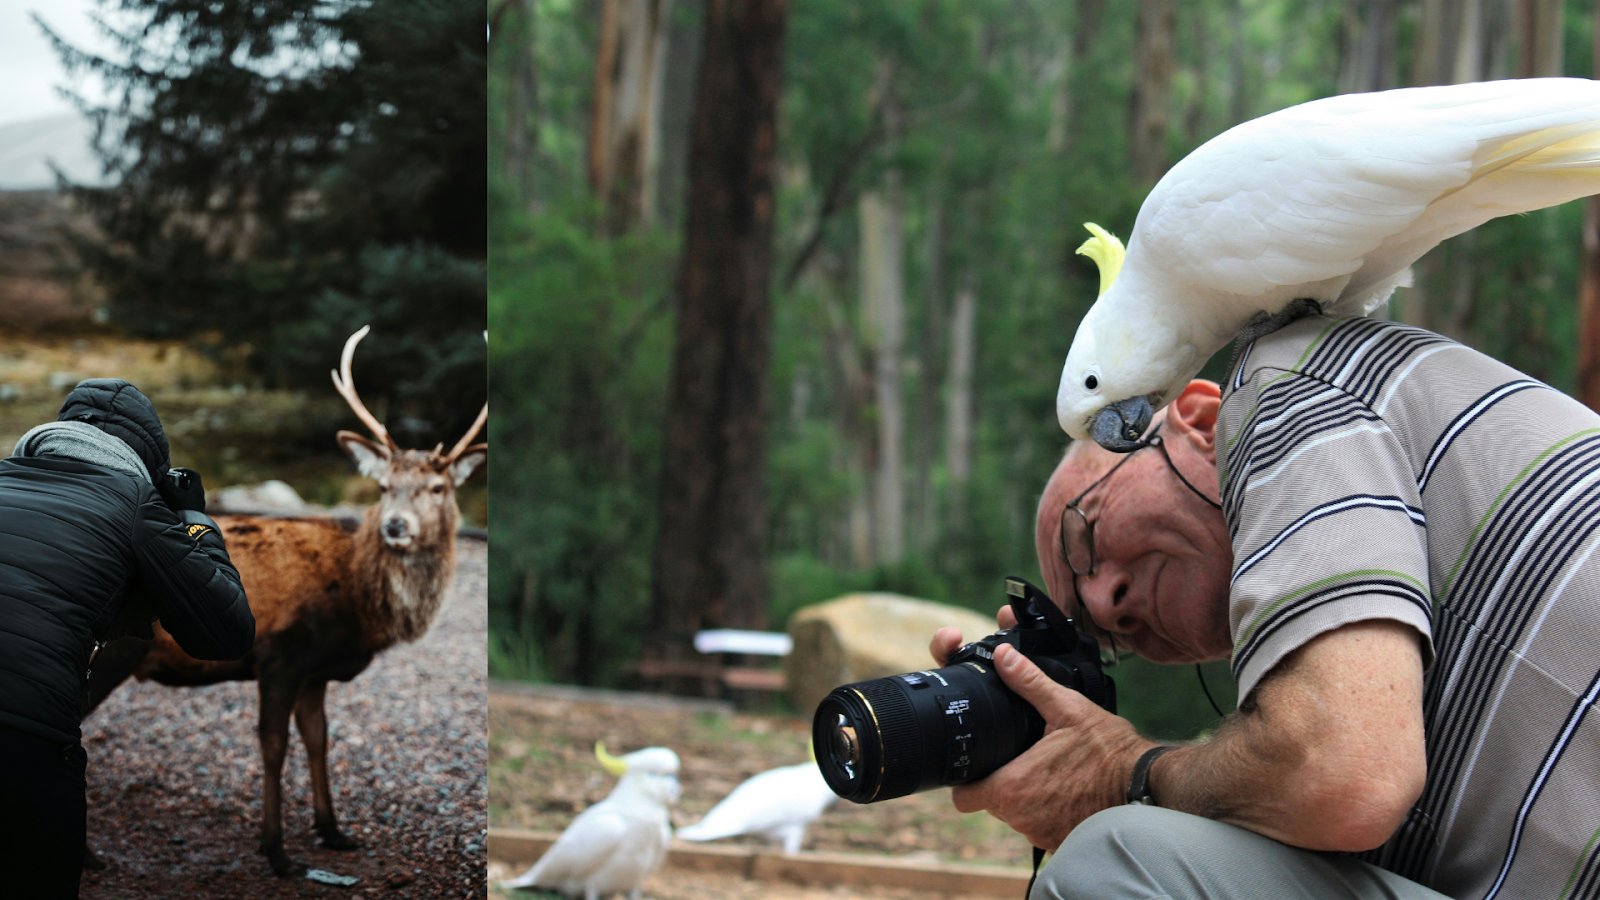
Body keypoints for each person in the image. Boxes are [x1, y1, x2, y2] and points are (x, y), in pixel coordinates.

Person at [931, 312, 1600, 900]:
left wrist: (1121, 777)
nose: (1108, 601)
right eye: (1100, 632)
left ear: (1197, 419)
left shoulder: (1283, 385)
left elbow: (1344, 777)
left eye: (1088, 534)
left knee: (1115, 862)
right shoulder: (1343, 669)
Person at [0, 378, 256, 898]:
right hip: (23, 740)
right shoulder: (137, 501)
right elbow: (226, 631)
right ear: (147, 459)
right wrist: (193, 517)